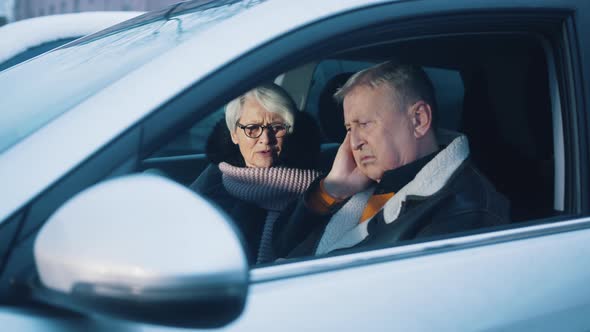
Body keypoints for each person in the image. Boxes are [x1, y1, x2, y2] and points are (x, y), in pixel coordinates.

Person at [272, 61, 510, 259]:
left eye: (364, 124)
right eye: (348, 128)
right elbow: (281, 252)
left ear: (419, 120)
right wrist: (332, 189)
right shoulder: (357, 187)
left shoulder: (465, 213)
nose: (354, 142)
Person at [191, 83, 321, 264]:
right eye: (252, 128)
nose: (266, 139)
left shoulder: (319, 190)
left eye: (276, 127)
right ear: (234, 135)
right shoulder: (213, 183)